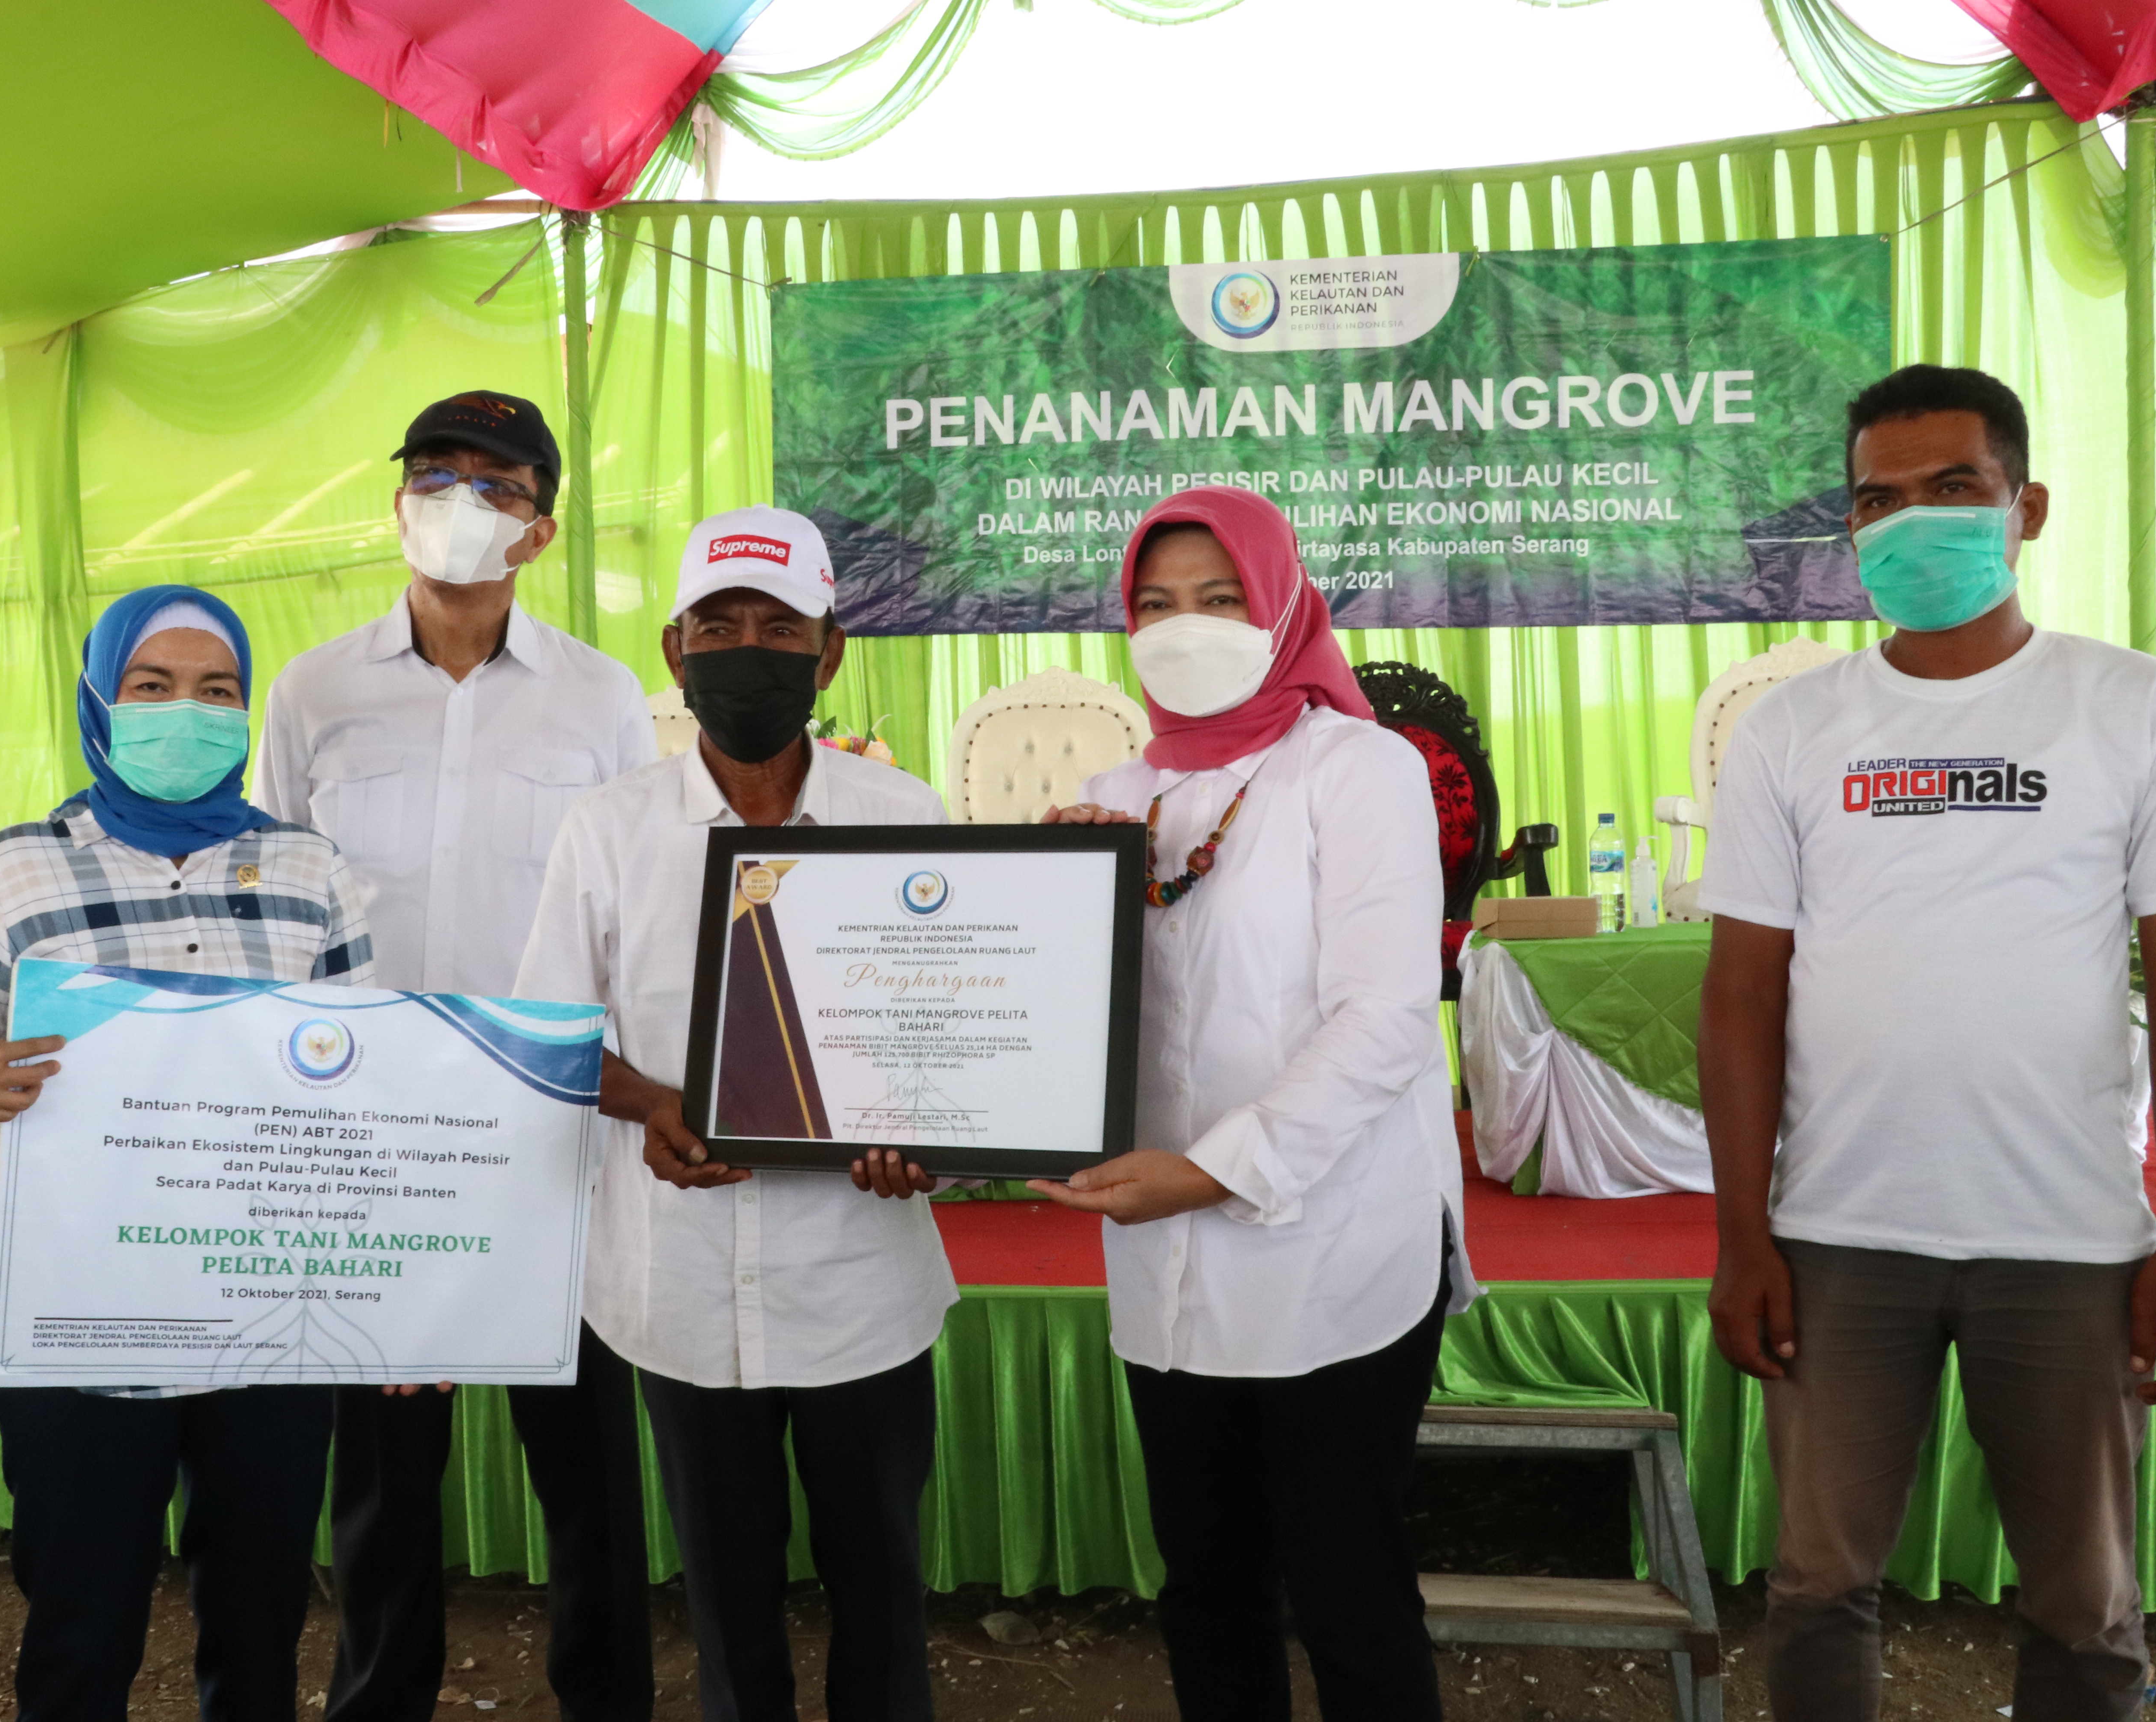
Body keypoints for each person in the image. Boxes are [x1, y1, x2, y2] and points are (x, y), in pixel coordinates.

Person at [1700, 364, 2156, 1721]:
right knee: (1820, 1583)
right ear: (1849, 532)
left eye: (1954, 488)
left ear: (2027, 506)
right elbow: (1740, 996)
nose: (1916, 521)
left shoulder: (2128, 707)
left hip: (2070, 1234)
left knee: (2087, 1603)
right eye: (1879, 500)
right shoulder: (1793, 730)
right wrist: (1742, 1238)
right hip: (1842, 1232)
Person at [1028, 485, 1472, 1722]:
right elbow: (1086, 1027)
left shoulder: (1359, 767)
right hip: (1163, 1260)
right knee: (1209, 1590)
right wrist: (1054, 924)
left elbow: (1385, 1018)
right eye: (1158, 604)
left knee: (1349, 1595)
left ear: (1281, 609)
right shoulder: (1116, 794)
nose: (1188, 627)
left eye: (1221, 600)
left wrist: (1216, 1170)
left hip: (1332, 1252)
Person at [0, 583, 373, 1721]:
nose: (185, 714)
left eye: (217, 692)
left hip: (268, 1321)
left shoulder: (312, 873)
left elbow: (361, 1092)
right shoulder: (16, 869)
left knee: (260, 1629)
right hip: (78, 1326)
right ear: (100, 700)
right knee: (80, 1627)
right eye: (150, 687)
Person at [251, 390, 658, 1722]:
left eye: (495, 483)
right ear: (397, 499)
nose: (459, 500)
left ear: (537, 529)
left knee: (588, 1464)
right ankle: (381, 1700)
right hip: (372, 1137)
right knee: (382, 1468)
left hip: (554, 1129)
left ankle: (606, 1700)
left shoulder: (600, 699)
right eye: (437, 473)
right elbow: (273, 904)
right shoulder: (315, 692)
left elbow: (632, 909)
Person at [514, 505, 954, 1722]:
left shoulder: (907, 819)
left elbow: (955, 1039)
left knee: (883, 1605)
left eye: (778, 627)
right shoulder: (607, 833)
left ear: (830, 653)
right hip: (679, 1292)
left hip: (862, 1285)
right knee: (727, 1616)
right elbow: (553, 1038)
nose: (745, 650)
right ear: (674, 649)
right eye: (720, 626)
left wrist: (929, 1140)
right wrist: (652, 1102)